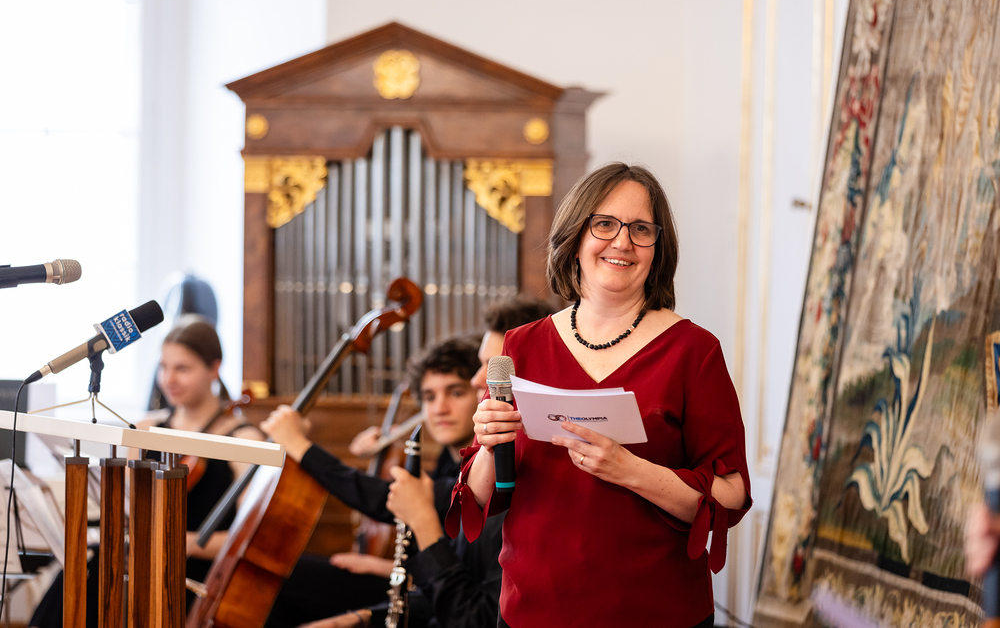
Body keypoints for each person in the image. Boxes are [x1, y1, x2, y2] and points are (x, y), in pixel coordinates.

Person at [447, 163, 753, 627]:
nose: (622, 242)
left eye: (641, 229)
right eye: (604, 224)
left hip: (657, 613)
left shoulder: (694, 351)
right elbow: (482, 496)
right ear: (574, 238)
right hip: (532, 612)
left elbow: (731, 496)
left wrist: (631, 471)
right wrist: (490, 444)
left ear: (658, 249)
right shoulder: (521, 345)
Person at [29, 315, 265, 627]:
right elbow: (130, 508)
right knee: (84, 571)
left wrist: (182, 542)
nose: (169, 379)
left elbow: (251, 538)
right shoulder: (146, 429)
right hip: (142, 557)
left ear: (214, 368)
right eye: (164, 367)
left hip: (194, 573)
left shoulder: (244, 439)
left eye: (182, 368)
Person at [260, 337, 482, 628]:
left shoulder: (482, 471)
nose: (440, 408)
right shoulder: (448, 460)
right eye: (429, 397)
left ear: (482, 394)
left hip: (439, 601)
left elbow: (383, 500)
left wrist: (301, 447)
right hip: (424, 589)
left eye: (456, 392)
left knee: (282, 575)